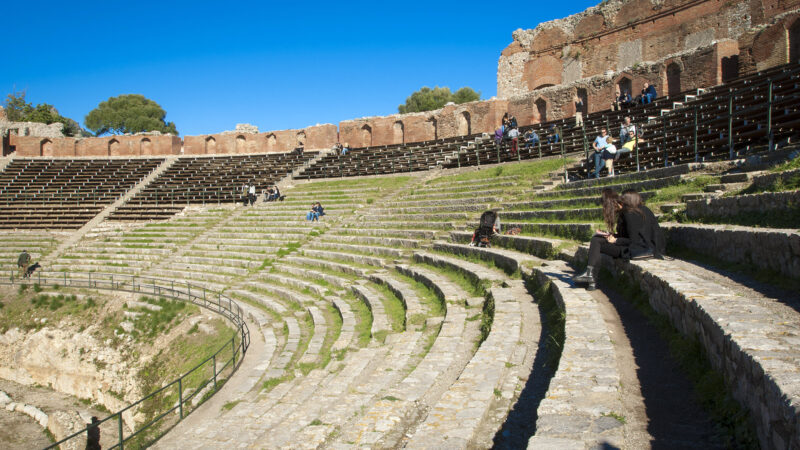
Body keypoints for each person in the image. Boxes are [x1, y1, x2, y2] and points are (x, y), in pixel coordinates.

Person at [572, 189, 664, 290]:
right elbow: (632, 235)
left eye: (623, 199)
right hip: (644, 247)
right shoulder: (641, 210)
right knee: (597, 239)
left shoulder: (630, 214)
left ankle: (591, 277)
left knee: (596, 241)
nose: (621, 201)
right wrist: (613, 236)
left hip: (637, 250)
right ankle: (590, 276)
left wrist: (616, 240)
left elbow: (634, 241)